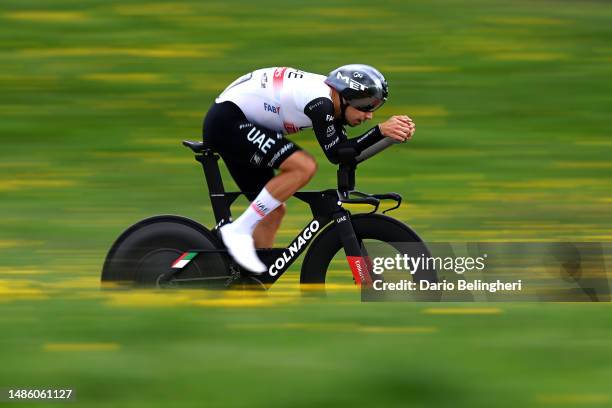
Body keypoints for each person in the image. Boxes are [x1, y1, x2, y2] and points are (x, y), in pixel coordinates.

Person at [202, 64, 415, 273]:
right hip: (228, 122)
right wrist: (380, 131)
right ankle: (238, 230)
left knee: (272, 211)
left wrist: (389, 138)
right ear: (346, 96)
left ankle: (249, 286)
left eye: (375, 107)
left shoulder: (333, 102)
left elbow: (348, 155)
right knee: (303, 167)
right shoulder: (320, 102)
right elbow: (336, 153)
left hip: (239, 123)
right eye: (367, 105)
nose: (369, 115)